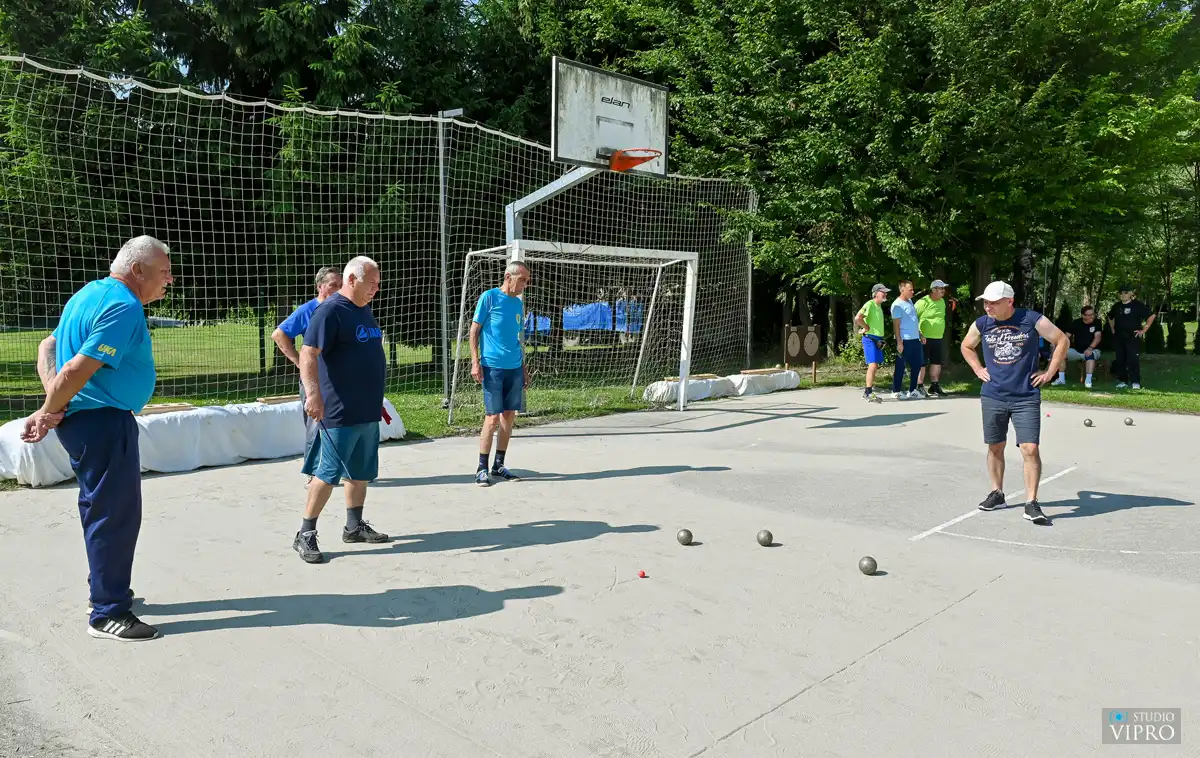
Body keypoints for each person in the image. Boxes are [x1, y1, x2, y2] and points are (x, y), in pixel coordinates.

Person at [22, 235, 174, 641]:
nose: (169, 280)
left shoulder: (88, 293)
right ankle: (108, 613)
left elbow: (48, 346)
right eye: (163, 272)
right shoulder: (123, 306)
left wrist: (53, 405)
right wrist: (48, 409)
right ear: (137, 270)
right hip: (102, 422)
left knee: (103, 508)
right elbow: (74, 369)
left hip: (87, 421)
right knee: (115, 514)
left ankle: (105, 591)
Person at [293, 256, 389, 564]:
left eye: (378, 283)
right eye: (372, 283)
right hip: (339, 410)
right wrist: (313, 395)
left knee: (359, 472)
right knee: (328, 474)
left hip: (366, 409)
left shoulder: (363, 309)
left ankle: (354, 525)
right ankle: (305, 533)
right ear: (352, 280)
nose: (377, 288)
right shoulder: (331, 310)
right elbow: (308, 354)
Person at [960, 281, 1069, 526]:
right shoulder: (983, 323)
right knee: (995, 446)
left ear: (1009, 302)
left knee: (1030, 449)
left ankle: (1031, 503)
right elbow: (966, 346)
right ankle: (997, 493)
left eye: (993, 303)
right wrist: (978, 368)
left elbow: (1061, 340)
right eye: (986, 302)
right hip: (993, 395)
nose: (988, 307)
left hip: (1025, 396)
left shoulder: (1030, 319)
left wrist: (1050, 372)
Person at [470, 260, 531, 486]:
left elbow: (515, 339)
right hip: (492, 366)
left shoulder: (517, 304)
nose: (526, 284)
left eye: (527, 280)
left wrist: (523, 367)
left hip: (514, 367)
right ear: (508, 277)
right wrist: (475, 362)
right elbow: (474, 331)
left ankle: (499, 464)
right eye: (523, 279)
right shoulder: (489, 297)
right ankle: (481, 467)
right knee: (492, 417)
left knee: (509, 416)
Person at [272, 266, 343, 452]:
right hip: (315, 380)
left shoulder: (343, 308)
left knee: (340, 425)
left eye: (341, 285)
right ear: (320, 286)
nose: (338, 289)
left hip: (337, 379)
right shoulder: (308, 310)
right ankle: (313, 474)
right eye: (333, 285)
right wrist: (298, 361)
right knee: (316, 426)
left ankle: (341, 469)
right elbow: (279, 335)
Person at [1107, 285, 1155, 390]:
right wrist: (1113, 329)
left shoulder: (1137, 305)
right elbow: (1110, 317)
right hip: (1119, 337)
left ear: (1130, 293)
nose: (1123, 295)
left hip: (1133, 336)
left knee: (1133, 359)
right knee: (1120, 359)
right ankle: (1122, 380)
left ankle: (1135, 381)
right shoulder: (1116, 306)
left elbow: (1151, 316)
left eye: (1125, 292)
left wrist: (1144, 330)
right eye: (1121, 293)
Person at [853, 283, 890, 402]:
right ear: (875, 293)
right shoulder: (870, 304)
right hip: (870, 338)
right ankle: (867, 392)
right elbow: (858, 318)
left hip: (877, 338)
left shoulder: (878, 306)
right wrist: (866, 327)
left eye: (885, 292)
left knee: (875, 365)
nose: (885, 294)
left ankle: (869, 391)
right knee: (872, 365)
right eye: (882, 292)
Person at [890, 280, 925, 399]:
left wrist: (920, 334)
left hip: (915, 339)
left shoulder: (910, 301)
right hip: (905, 339)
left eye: (912, 289)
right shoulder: (897, 305)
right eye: (910, 290)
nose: (913, 292)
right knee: (900, 365)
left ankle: (912, 390)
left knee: (917, 365)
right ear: (902, 290)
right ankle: (896, 391)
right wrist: (899, 342)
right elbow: (896, 325)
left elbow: (913, 320)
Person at [915, 279, 950, 397]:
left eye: (943, 289)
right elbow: (912, 319)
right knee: (922, 363)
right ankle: (919, 386)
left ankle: (934, 386)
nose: (943, 291)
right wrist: (919, 334)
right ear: (934, 289)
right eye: (941, 289)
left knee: (936, 362)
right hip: (924, 337)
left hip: (938, 337)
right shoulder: (923, 302)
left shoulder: (942, 302)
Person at [1058, 305, 1103, 388]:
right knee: (1061, 354)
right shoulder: (1076, 323)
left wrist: (1090, 348)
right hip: (1077, 351)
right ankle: (1061, 379)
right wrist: (1058, 345)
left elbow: (1098, 337)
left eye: (1092, 314)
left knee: (1090, 355)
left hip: (1093, 349)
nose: (1091, 316)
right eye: (1089, 315)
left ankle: (1088, 380)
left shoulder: (1097, 322)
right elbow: (1066, 336)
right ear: (1083, 315)